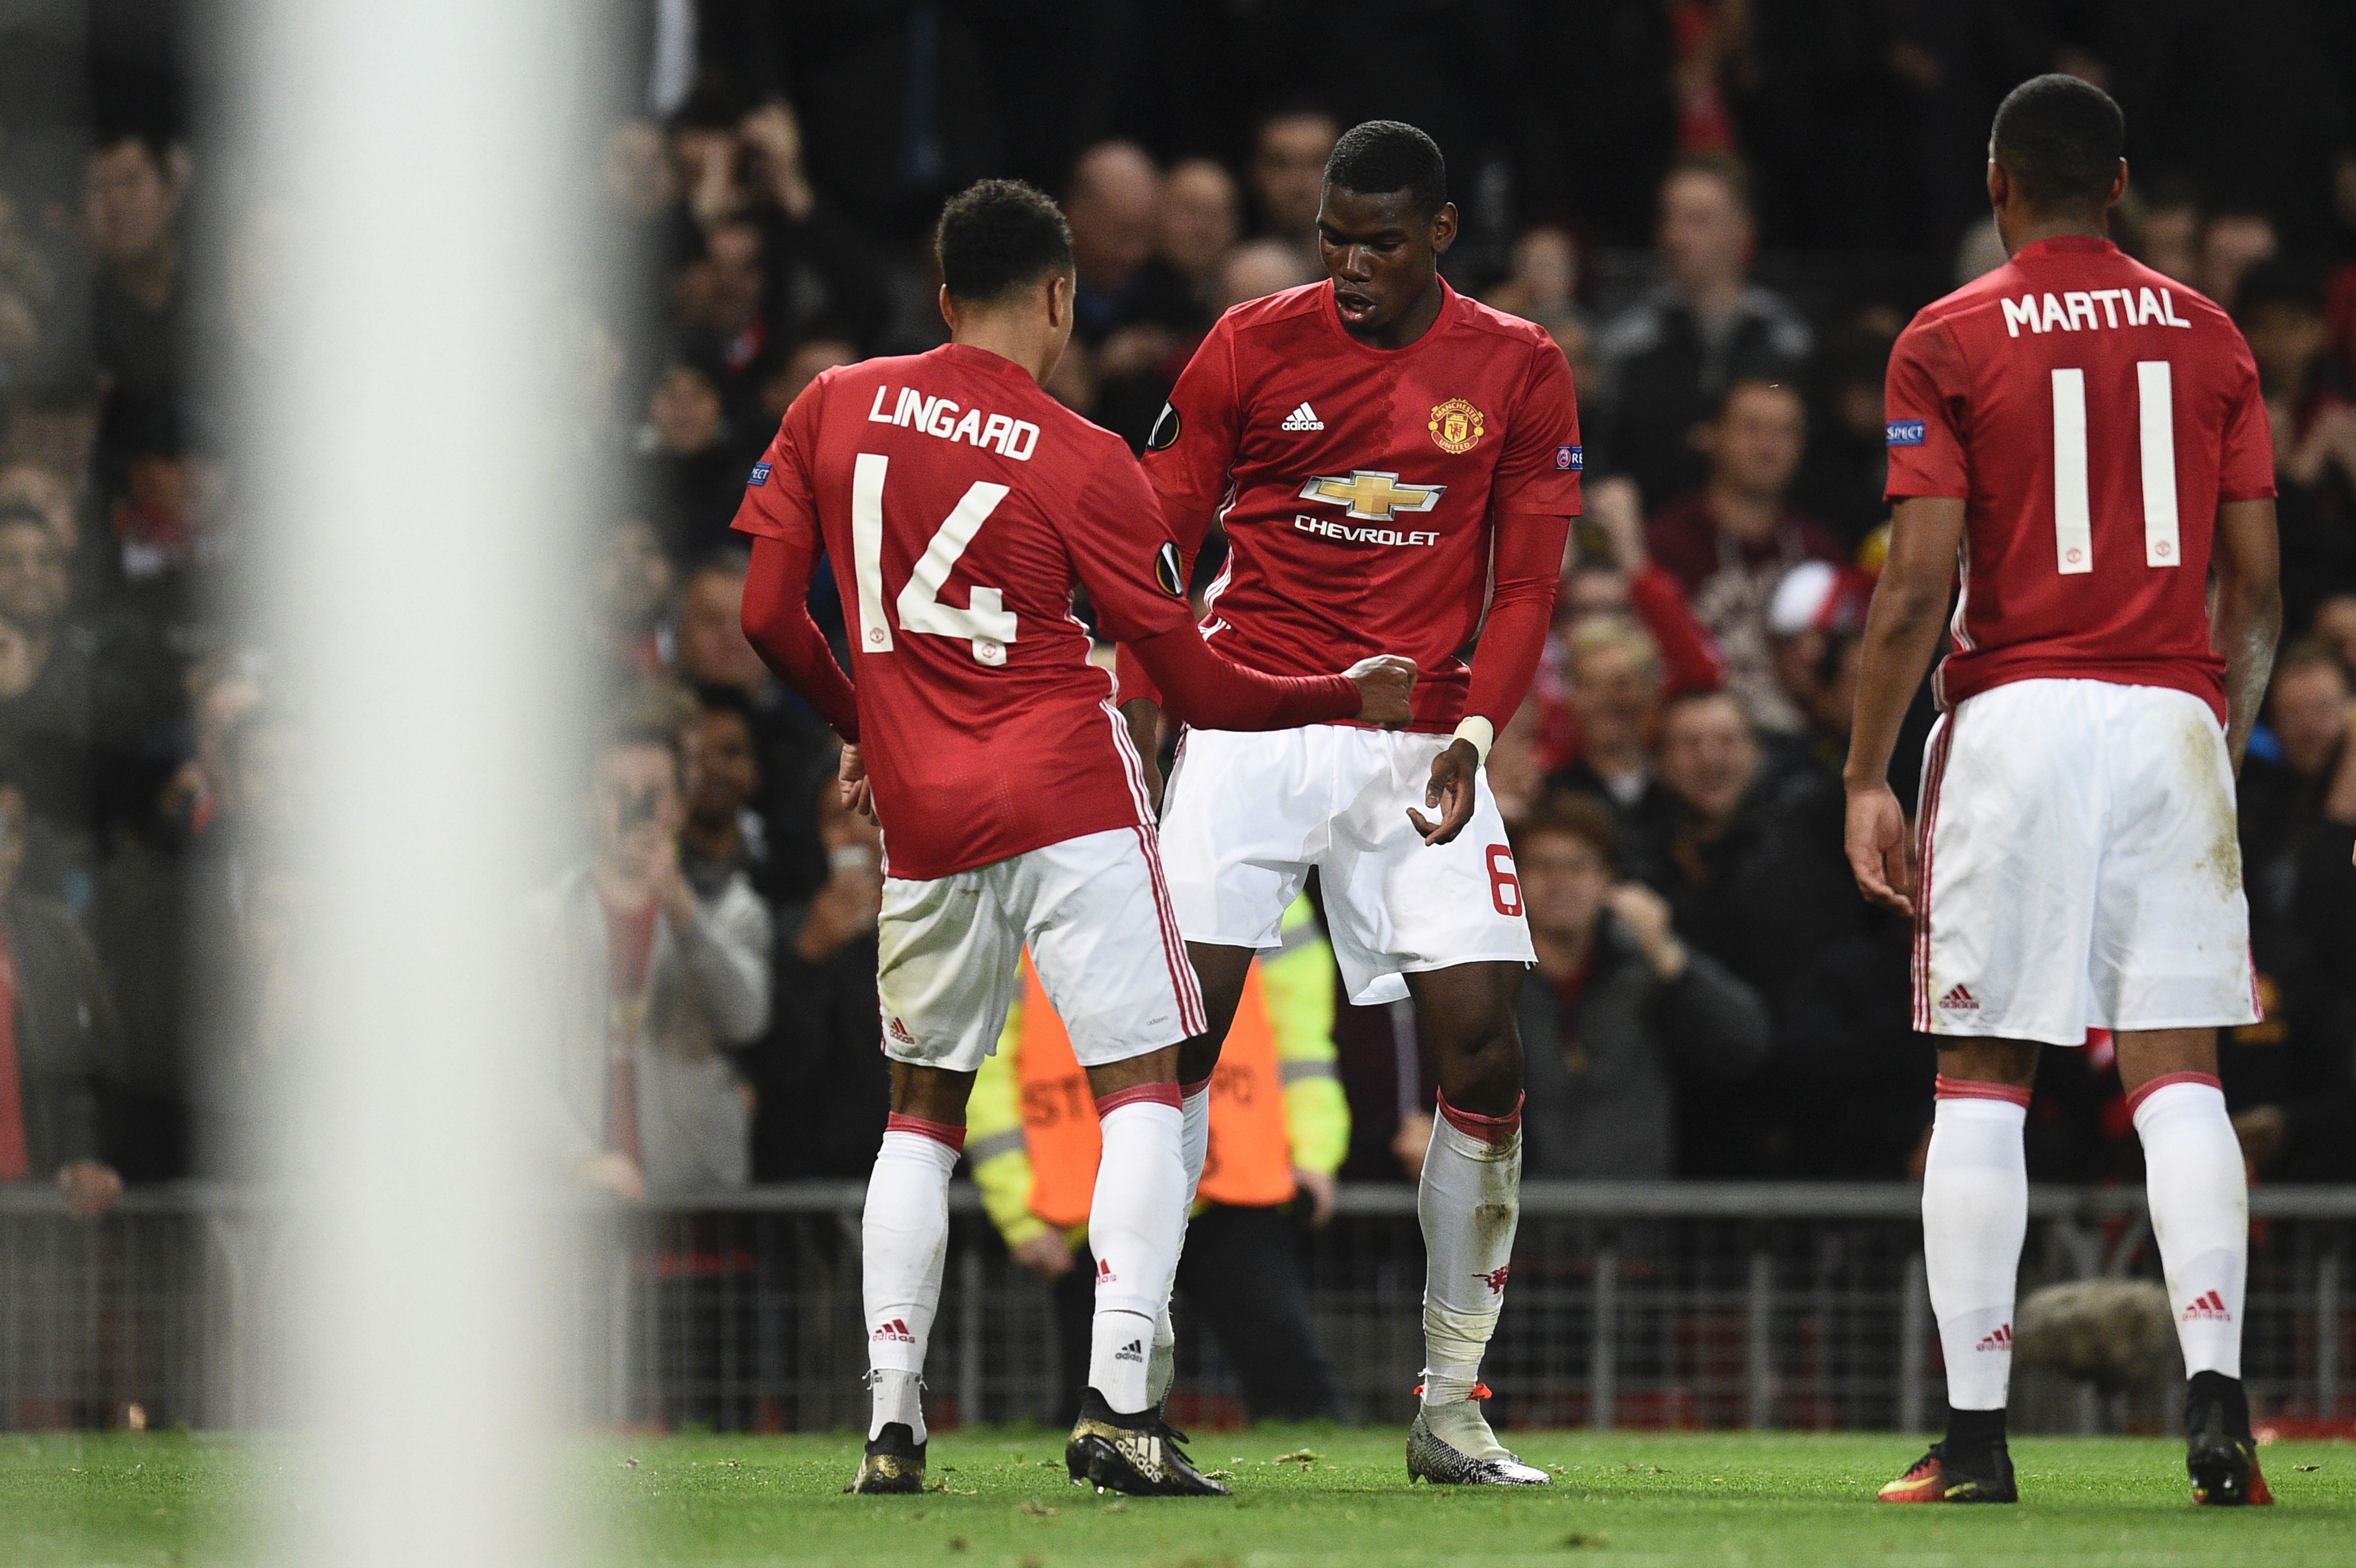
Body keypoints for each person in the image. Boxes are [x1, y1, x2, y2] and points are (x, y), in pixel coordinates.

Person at [731, 178, 1411, 1497]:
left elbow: (767, 614)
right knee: (1145, 1090)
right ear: (1059, 296)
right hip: (1065, 794)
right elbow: (1199, 690)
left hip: (925, 815)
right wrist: (1346, 693)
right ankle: (1121, 1407)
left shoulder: (834, 404)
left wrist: (865, 725)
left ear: (941, 297)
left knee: (920, 1114)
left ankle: (891, 1427)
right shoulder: (1085, 456)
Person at [1116, 120, 1581, 1486]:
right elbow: (1161, 527)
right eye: (1335, 238)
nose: (1353, 264)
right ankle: (1129, 1381)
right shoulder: (1251, 345)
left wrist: (1480, 732)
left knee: (1485, 1046)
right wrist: (1154, 682)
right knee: (1176, 1037)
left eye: (1381, 240)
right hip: (1258, 712)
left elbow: (1533, 583)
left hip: (1419, 730)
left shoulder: (1519, 367)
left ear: (1441, 233)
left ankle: (1451, 1402)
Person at [1846, 76, 2283, 1507]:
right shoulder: (2210, 334)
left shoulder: (1949, 334)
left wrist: (1862, 767)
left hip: (2017, 712)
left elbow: (1915, 582)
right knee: (2179, 1074)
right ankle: (2217, 1411)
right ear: (2117, 185)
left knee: (1981, 1075)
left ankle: (1974, 1443)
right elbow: (2259, 592)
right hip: (2170, 707)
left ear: (1995, 182)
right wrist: (2213, 740)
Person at [971, 896, 1348, 1425]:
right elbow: (987, 1064)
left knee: (1283, 1380)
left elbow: (1303, 1037)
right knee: (1100, 1394)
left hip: (1208, 1182)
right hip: (1099, 1190)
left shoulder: (1039, 870)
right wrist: (1018, 1210)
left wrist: (1313, 1153)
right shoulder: (1249, 856)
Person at [525, 715, 768, 1201]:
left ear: (680, 806)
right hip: (578, 1222)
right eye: (617, 792)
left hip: (699, 1216)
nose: (636, 808)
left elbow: (744, 1019)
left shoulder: (732, 910)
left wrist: (682, 910)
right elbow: (516, 1068)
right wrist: (581, 1160)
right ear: (589, 807)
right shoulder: (536, 926)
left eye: (652, 793)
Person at [1513, 792, 1767, 1178]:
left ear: (1608, 879)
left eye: (1578, 867)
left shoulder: (1643, 969)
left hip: (1635, 1215)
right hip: (1524, 1217)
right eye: (1543, 866)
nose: (1560, 883)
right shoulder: (1494, 984)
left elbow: (1746, 1043)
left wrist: (1670, 956)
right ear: (1514, 880)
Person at [1590, 155, 1811, 511]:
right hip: (1653, 546)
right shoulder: (1627, 345)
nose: (1677, 236)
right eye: (1669, 218)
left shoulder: (1786, 340)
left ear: (1743, 232)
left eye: (1698, 220)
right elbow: (1600, 462)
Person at [1645, 377, 1844, 734]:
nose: (1769, 447)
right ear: (1710, 435)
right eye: (1752, 428)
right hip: (1700, 745)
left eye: (1785, 432)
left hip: (1808, 746)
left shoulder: (1821, 551)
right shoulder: (1665, 545)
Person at [0, 780, 122, 1220]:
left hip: (37, 1203)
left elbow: (84, 1068)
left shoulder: (54, 938)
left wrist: (83, 1155)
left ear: (19, 850)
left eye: (6, 834)